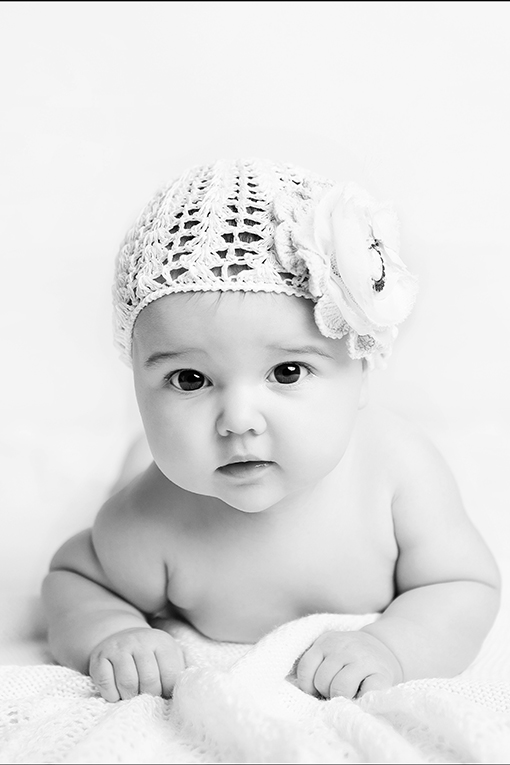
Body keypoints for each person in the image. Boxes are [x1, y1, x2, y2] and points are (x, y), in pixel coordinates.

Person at [41, 158, 501, 704]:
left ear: (361, 371)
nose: (238, 420)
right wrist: (111, 631)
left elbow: (463, 585)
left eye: (287, 372)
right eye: (189, 379)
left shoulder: (397, 474)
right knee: (132, 467)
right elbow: (72, 579)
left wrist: (394, 647)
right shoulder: (149, 516)